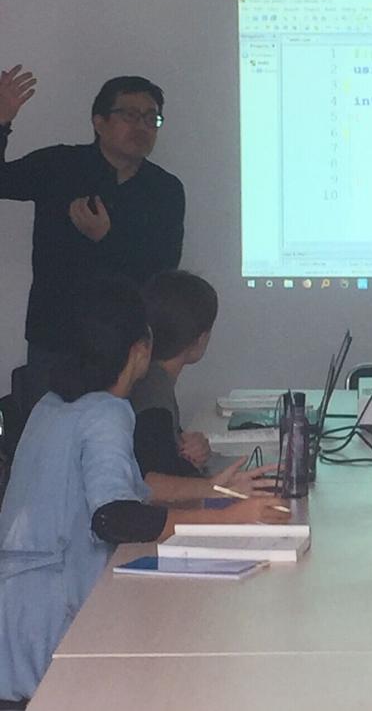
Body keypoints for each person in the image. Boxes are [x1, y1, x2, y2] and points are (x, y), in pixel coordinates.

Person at [0, 278, 287, 704]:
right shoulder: (106, 413)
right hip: (49, 620)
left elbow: (138, 485)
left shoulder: (54, 404)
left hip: (18, 609)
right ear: (140, 350)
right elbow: (114, 516)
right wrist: (226, 518)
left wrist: (214, 488)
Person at [0, 66, 185, 404]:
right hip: (55, 339)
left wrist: (106, 240)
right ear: (99, 123)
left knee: (121, 433)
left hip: (126, 346)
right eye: (130, 115)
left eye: (151, 118)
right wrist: (2, 121)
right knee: (51, 433)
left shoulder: (165, 189)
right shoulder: (59, 165)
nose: (142, 126)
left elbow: (163, 269)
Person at [132, 270, 217, 479]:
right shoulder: (154, 391)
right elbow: (156, 475)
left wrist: (187, 448)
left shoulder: (154, 379)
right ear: (200, 338)